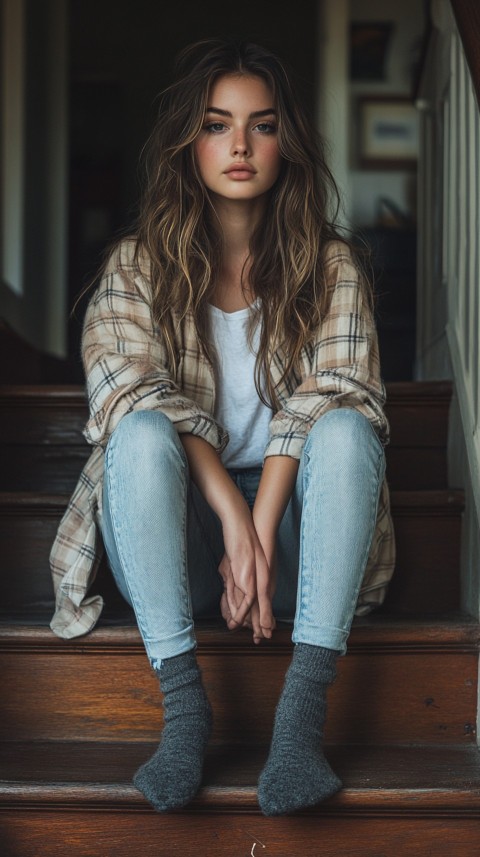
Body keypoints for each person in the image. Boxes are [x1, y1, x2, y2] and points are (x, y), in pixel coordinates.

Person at [49, 37, 395, 817]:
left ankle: (301, 722)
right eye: (216, 124)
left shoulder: (332, 266)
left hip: (298, 544)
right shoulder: (135, 268)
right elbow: (134, 392)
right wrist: (232, 517)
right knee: (136, 433)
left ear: (287, 142)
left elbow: (335, 393)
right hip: (186, 544)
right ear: (188, 141)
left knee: (345, 431)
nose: (240, 145)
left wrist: (263, 519)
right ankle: (185, 711)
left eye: (262, 125)